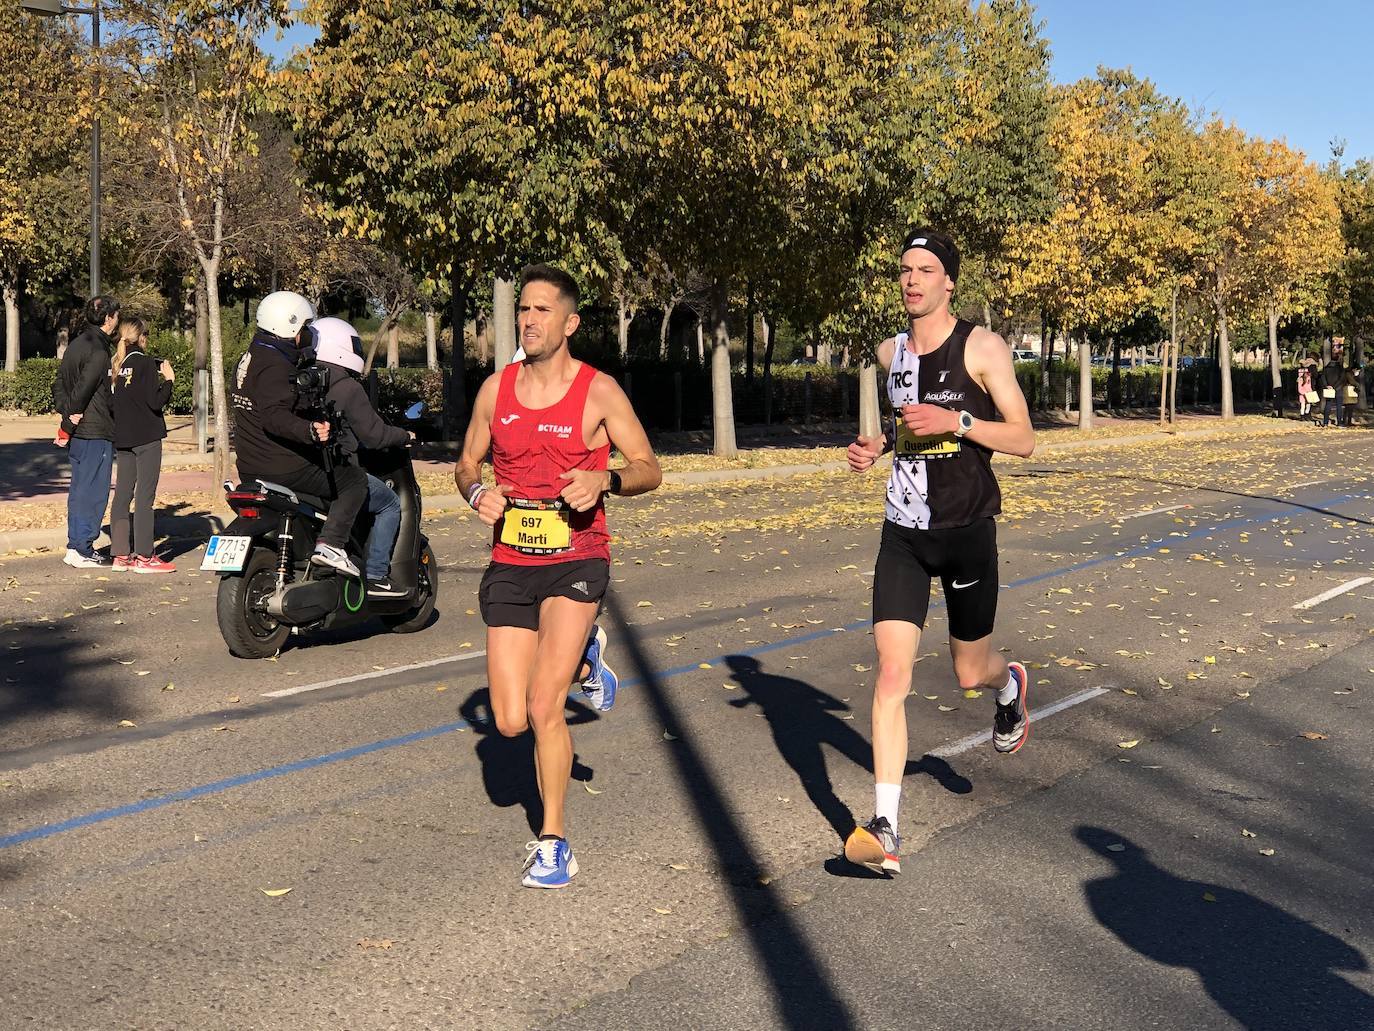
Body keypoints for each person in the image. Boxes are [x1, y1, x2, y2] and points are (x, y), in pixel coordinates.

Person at [455, 263, 662, 888]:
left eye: (543, 310)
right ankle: (583, 662)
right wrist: (476, 495)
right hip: (512, 560)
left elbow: (650, 466)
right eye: (524, 308)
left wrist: (608, 479)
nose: (529, 318)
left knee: (545, 707)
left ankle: (554, 841)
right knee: (510, 719)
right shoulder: (497, 390)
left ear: (570, 322)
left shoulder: (598, 392)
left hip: (577, 556)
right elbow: (467, 464)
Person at [843, 229, 1035, 875]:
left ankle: (1007, 685)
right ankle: (886, 823)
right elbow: (905, 430)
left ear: (949, 281)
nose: (912, 280)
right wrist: (874, 448)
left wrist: (960, 422)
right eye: (904, 269)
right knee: (891, 674)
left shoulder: (981, 347)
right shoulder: (887, 351)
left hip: (966, 529)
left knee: (965, 672)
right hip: (902, 531)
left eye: (926, 270)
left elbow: (1024, 438)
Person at [230, 291, 368, 577]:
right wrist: (309, 430)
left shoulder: (250, 358)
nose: (306, 335)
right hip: (282, 465)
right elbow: (275, 416)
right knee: (353, 481)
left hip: (249, 464)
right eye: (304, 327)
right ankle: (331, 544)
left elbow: (268, 407)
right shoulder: (275, 365)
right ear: (290, 327)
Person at [309, 316, 413, 596]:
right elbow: (374, 436)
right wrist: (404, 435)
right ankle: (377, 575)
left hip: (307, 472)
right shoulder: (348, 387)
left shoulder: (304, 382)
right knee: (390, 503)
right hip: (342, 474)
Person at [54, 295, 120, 568]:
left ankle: (76, 546)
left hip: (83, 431)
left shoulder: (77, 344)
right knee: (93, 490)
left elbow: (59, 382)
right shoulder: (99, 351)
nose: (118, 319)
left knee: (80, 488)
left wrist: (65, 411)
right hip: (94, 430)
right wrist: (69, 420)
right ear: (108, 319)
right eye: (116, 314)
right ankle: (82, 547)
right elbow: (83, 390)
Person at [109, 316, 176, 573]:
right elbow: (155, 402)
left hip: (123, 438)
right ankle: (145, 556)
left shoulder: (115, 364)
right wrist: (168, 380)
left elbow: (111, 403)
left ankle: (120, 554)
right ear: (143, 338)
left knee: (122, 495)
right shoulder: (146, 363)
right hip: (146, 438)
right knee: (144, 497)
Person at [1318, 338, 1350, 428]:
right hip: (1338, 388)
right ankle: (1339, 422)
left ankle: (1325, 422)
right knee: (1339, 406)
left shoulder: (1326, 368)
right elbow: (1342, 379)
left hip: (1328, 387)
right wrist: (1335, 387)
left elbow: (1322, 377)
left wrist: (1327, 385)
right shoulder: (1340, 368)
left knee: (1328, 404)